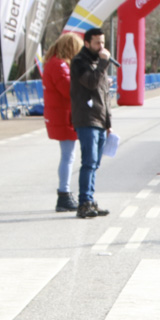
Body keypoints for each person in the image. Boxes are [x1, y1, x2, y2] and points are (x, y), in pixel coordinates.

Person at [69, 27, 113, 219]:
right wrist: (103, 64)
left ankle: (90, 199)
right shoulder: (80, 62)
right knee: (88, 162)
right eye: (97, 43)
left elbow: (104, 95)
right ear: (87, 43)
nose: (101, 46)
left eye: (103, 42)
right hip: (87, 119)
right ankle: (84, 202)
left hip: (100, 119)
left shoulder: (98, 64)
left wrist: (108, 121)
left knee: (94, 163)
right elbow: (91, 83)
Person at [42, 33, 83, 213]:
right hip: (64, 115)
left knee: (68, 155)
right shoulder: (60, 66)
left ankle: (64, 192)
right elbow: (69, 90)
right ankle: (64, 193)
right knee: (68, 156)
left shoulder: (53, 63)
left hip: (61, 114)